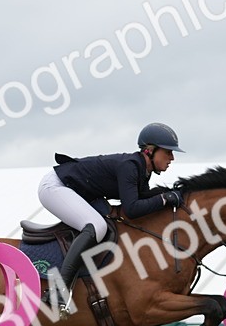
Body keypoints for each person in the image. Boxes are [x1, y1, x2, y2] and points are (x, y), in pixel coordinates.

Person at [37, 122, 185, 313]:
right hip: (55, 187)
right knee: (96, 226)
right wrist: (165, 199)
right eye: (168, 152)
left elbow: (142, 198)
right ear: (150, 150)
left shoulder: (141, 169)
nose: (172, 158)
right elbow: (132, 208)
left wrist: (169, 193)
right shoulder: (130, 166)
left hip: (78, 190)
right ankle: (58, 290)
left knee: (101, 224)